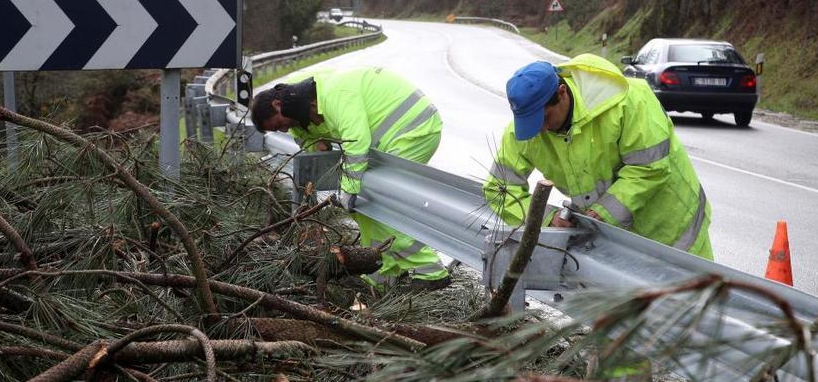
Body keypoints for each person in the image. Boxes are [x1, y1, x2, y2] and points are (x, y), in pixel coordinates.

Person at [483, 53, 713, 259]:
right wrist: (547, 218)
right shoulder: (525, 132)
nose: (539, 130)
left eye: (544, 118)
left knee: (695, 305)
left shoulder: (629, 101)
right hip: (612, 244)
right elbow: (498, 189)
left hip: (672, 231)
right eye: (530, 123)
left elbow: (650, 168)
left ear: (562, 93)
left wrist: (600, 213)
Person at [251, 66, 451, 288]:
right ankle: (381, 273)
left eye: (280, 125)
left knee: (383, 202)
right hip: (385, 140)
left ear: (277, 105)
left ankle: (431, 271)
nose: (285, 131)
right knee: (367, 208)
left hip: (413, 128)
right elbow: (311, 142)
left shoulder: (335, 95)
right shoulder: (299, 103)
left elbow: (356, 143)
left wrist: (349, 189)